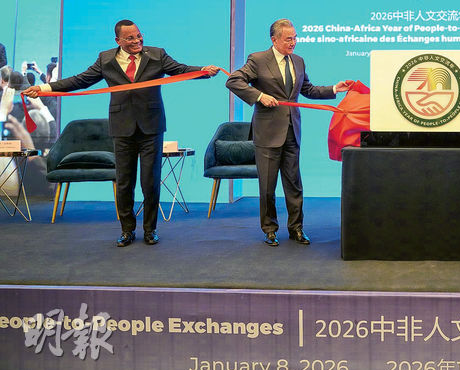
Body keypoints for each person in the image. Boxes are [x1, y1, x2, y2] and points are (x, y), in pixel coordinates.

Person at [23, 19, 220, 247]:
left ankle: (150, 230)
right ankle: (127, 230)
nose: (137, 41)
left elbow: (181, 70)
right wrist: (44, 88)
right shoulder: (106, 59)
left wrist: (204, 71)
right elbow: (80, 80)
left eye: (138, 35)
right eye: (130, 38)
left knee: (150, 182)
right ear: (118, 40)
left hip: (151, 127)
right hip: (122, 127)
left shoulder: (157, 54)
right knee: (125, 182)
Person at [226, 19, 347, 246]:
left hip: (292, 131)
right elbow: (233, 81)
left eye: (295, 38)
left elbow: (307, 89)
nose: (293, 42)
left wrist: (334, 89)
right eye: (288, 39)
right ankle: (270, 229)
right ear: (274, 40)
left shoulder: (298, 61)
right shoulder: (258, 59)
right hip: (268, 133)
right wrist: (259, 96)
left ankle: (296, 229)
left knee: (294, 184)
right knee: (268, 186)